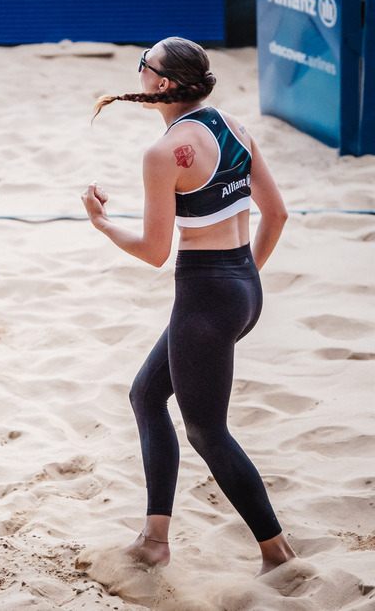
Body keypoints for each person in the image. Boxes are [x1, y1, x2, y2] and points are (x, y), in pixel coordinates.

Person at [81, 37, 295, 575]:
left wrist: (103, 223)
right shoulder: (234, 126)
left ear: (164, 83)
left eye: (143, 66)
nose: (139, 74)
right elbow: (278, 214)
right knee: (146, 394)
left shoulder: (162, 154)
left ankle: (278, 552)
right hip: (243, 286)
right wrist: (241, 283)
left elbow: (155, 252)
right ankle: (155, 538)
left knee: (206, 431)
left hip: (205, 296)